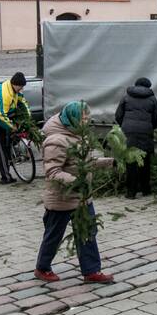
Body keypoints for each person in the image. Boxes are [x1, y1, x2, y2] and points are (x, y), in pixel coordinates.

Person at [34, 101, 114, 284]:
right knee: (54, 235)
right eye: (83, 118)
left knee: (87, 232)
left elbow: (85, 162)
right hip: (62, 198)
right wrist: (76, 182)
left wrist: (110, 162)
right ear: (73, 118)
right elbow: (53, 172)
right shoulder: (56, 140)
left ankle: (91, 271)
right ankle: (42, 267)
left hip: (82, 197)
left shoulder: (78, 135)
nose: (87, 121)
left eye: (87, 117)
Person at [114, 77, 157, 199]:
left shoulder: (126, 97)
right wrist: (150, 127)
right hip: (145, 132)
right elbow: (156, 119)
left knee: (131, 162)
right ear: (148, 86)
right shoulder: (152, 99)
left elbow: (118, 115)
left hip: (128, 132)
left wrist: (124, 126)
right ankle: (145, 189)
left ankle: (131, 192)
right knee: (145, 161)